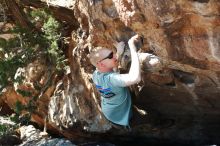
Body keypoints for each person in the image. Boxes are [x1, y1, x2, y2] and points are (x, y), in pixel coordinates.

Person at [89, 35, 142, 127]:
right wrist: (133, 49)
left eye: (112, 53)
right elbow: (135, 78)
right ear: (101, 64)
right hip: (120, 117)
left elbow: (111, 67)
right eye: (110, 56)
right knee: (141, 120)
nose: (114, 56)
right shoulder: (112, 79)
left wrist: (118, 52)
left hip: (109, 111)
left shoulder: (96, 74)